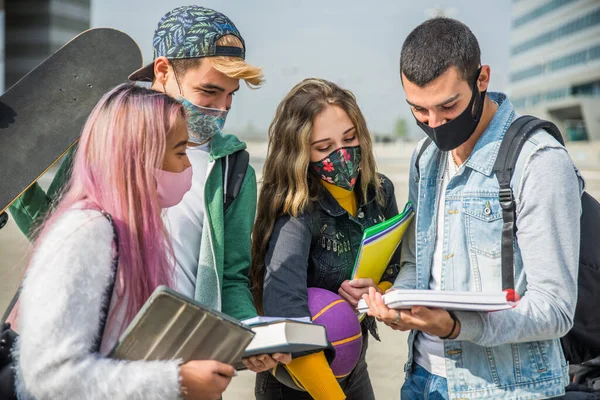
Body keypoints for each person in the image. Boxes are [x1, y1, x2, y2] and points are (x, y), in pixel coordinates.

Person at [8, 5, 288, 372]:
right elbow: (55, 235)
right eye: (209, 90)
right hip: (87, 356)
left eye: (231, 95)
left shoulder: (234, 170)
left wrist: (251, 336)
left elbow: (232, 278)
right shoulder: (102, 138)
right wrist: (12, 182)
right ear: (163, 70)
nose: (221, 108)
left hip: (181, 364)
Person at [364, 17, 584, 399]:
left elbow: (556, 309)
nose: (434, 124)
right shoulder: (425, 157)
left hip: (504, 389)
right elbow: (418, 264)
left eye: (448, 106)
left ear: (482, 79)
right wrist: (398, 302)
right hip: (420, 378)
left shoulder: (540, 162)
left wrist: (455, 327)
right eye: (418, 110)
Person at [16, 83, 237, 400]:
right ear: (138, 158)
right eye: (179, 152)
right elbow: (50, 376)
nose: (188, 165)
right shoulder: (85, 234)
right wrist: (175, 381)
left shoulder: (133, 232)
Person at [250, 78, 402, 399]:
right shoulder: (295, 210)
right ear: (300, 152)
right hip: (297, 377)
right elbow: (286, 318)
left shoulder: (380, 191)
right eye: (324, 147)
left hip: (352, 364)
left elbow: (395, 269)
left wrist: (378, 293)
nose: (342, 154)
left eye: (349, 138)